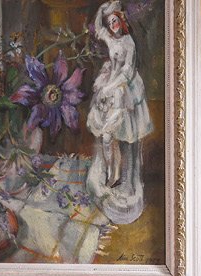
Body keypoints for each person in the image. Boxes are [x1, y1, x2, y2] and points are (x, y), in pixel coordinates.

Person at [86, 2, 153, 224]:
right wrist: (102, 9)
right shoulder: (111, 39)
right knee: (106, 134)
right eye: (110, 22)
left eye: (115, 21)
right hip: (110, 86)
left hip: (124, 89)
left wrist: (110, 86)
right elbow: (97, 27)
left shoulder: (129, 43)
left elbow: (127, 72)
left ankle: (127, 179)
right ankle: (110, 173)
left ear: (121, 21)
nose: (112, 25)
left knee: (126, 135)